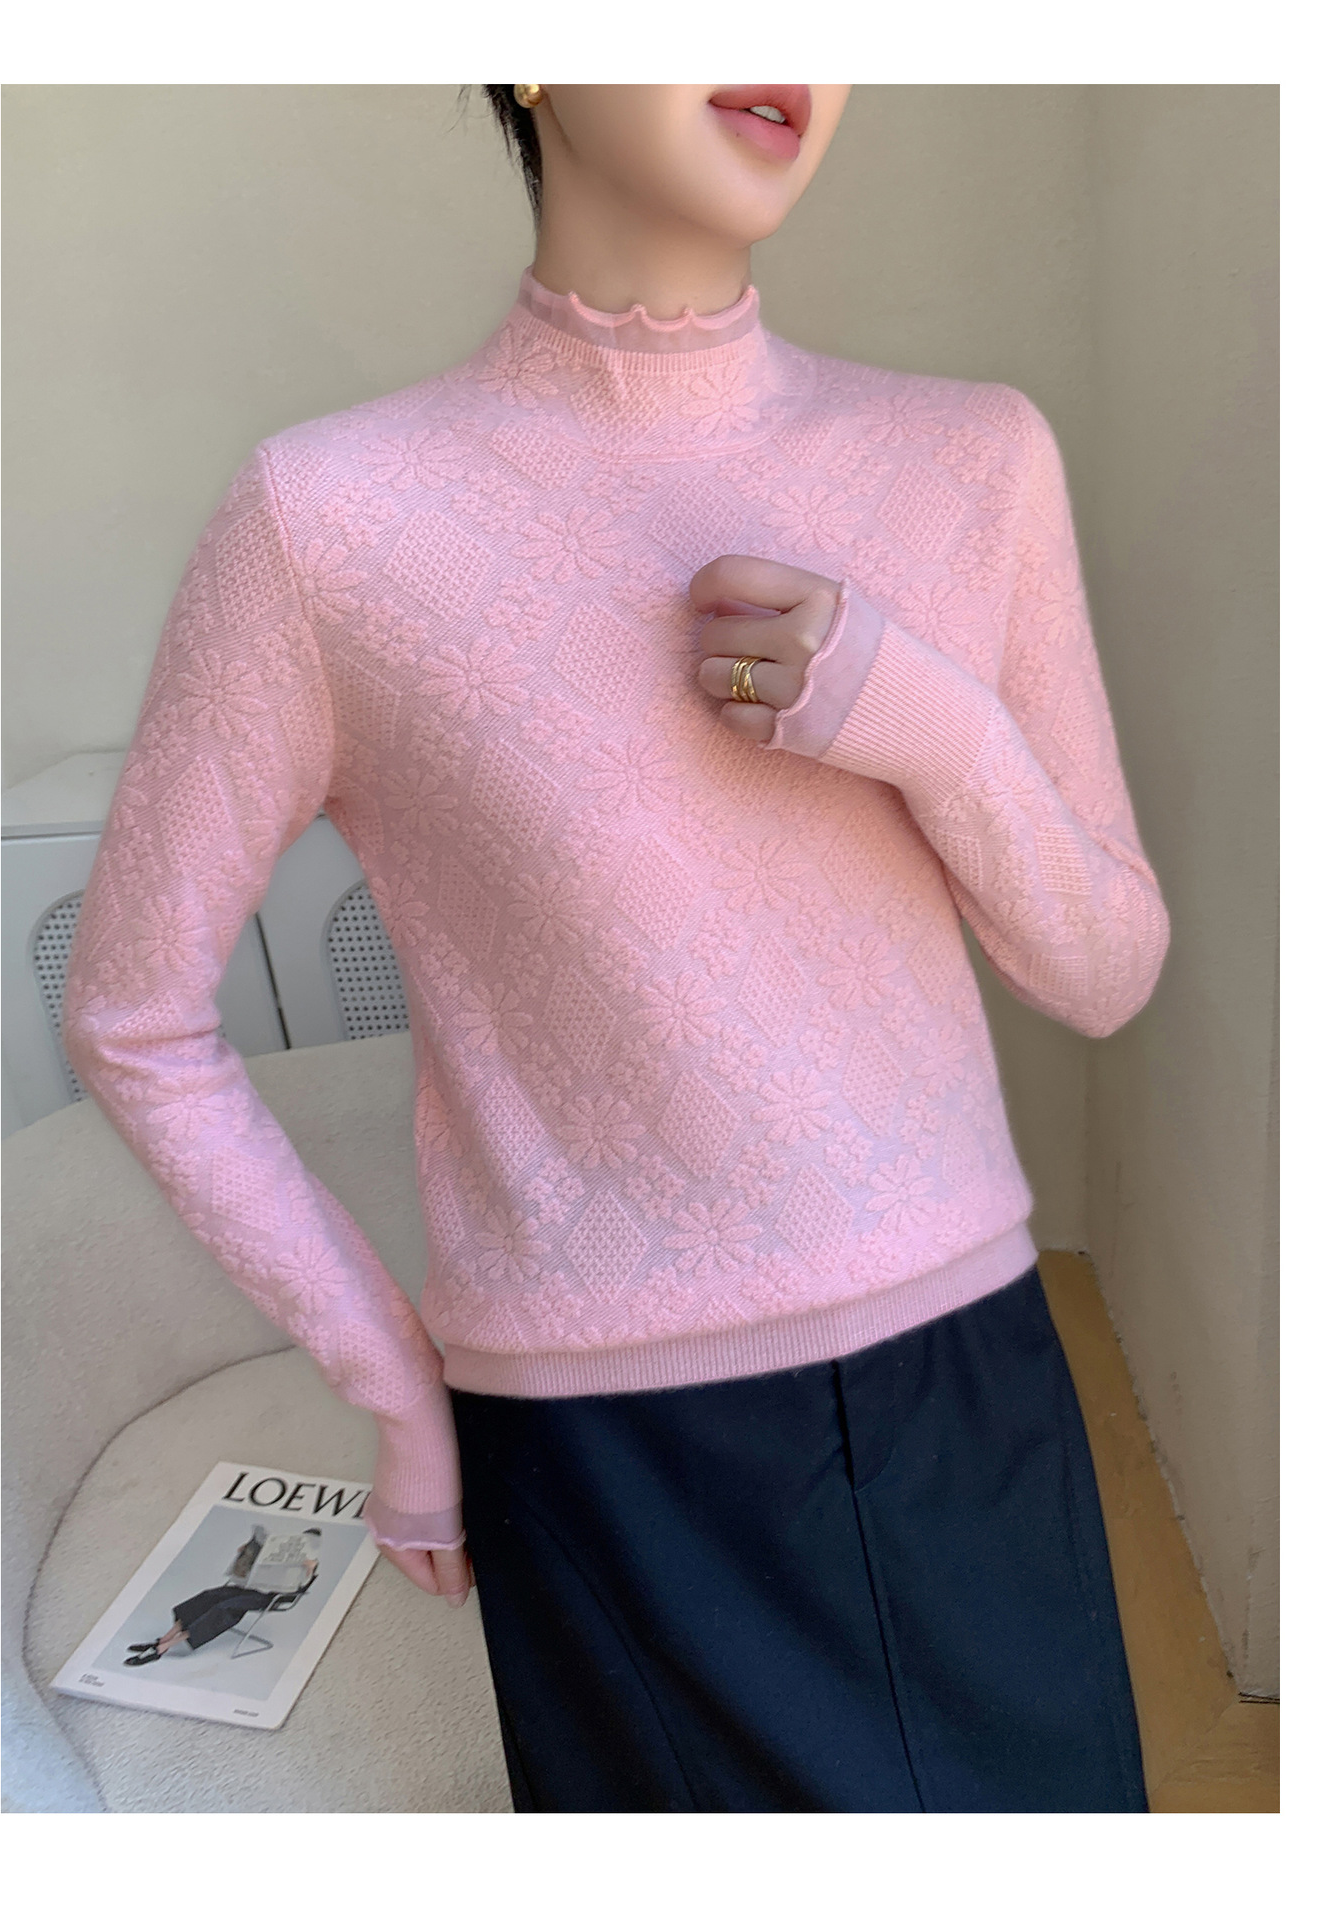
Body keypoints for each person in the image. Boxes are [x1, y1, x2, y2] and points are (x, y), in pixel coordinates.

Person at [64, 84, 1169, 1809]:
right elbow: (130, 1013)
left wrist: (932, 727)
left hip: (969, 1377)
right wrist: (396, 1384)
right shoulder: (323, 520)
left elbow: (1102, 973)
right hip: (606, 1454)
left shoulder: (972, 458)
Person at [124, 1529, 321, 1664]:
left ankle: (164, 1648)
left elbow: (298, 1589)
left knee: (224, 1608)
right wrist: (248, 1554)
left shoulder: (311, 1563)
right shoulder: (283, 1551)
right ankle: (163, 1639)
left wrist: (309, 1570)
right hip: (251, 1588)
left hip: (269, 1597)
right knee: (208, 1596)